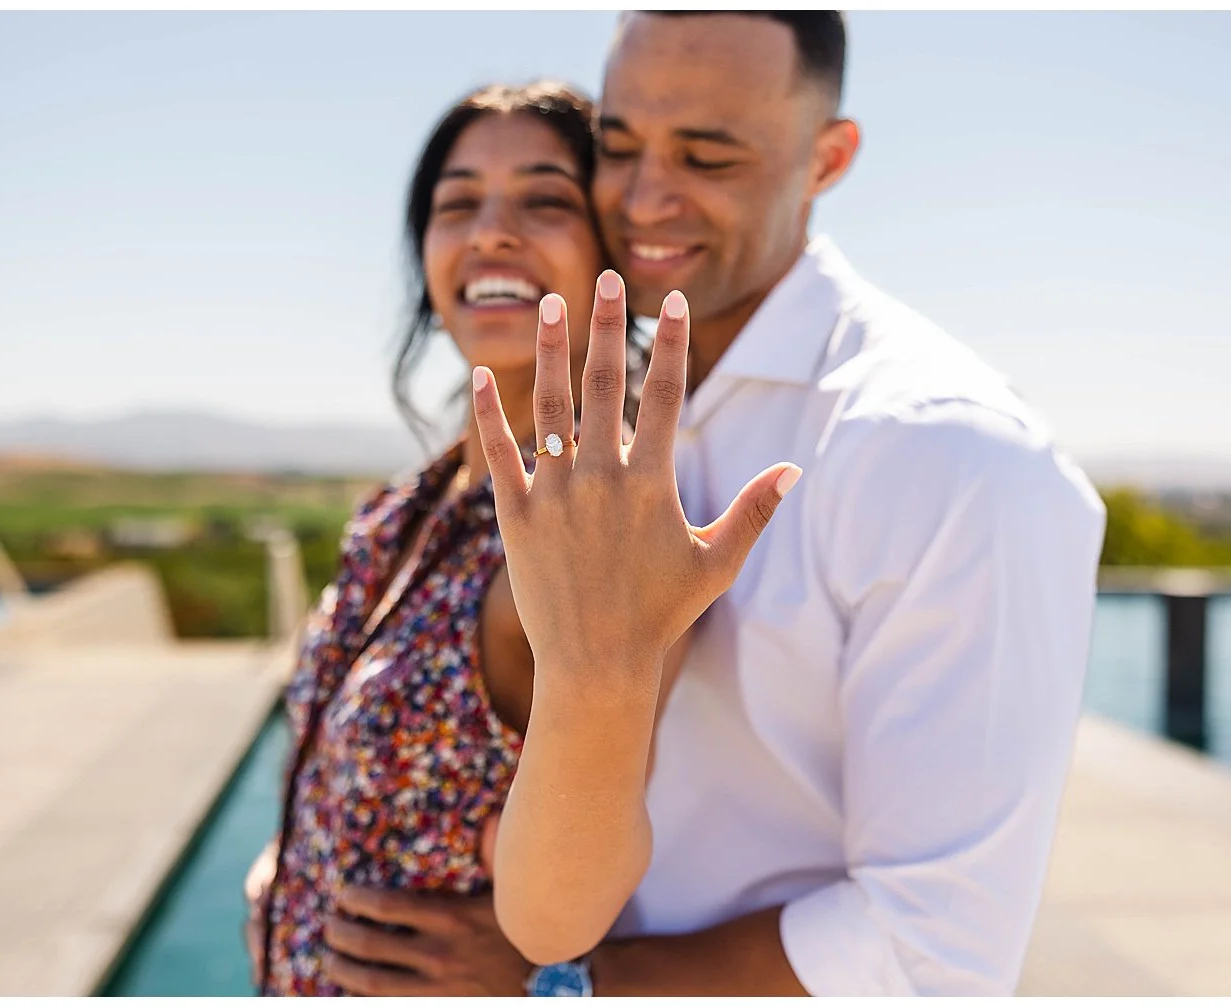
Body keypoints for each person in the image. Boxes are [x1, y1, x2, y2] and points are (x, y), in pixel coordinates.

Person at [321, 10, 1107, 997]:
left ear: (827, 159)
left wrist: (561, 981)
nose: (646, 198)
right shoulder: (619, 414)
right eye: (618, 146)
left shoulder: (944, 450)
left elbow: (935, 948)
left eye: (707, 155)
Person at [241, 80, 691, 996]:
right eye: (457, 204)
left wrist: (546, 965)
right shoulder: (408, 507)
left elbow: (588, 874)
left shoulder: (601, 525)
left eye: (544, 199)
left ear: (614, 252)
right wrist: (289, 863)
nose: (490, 231)